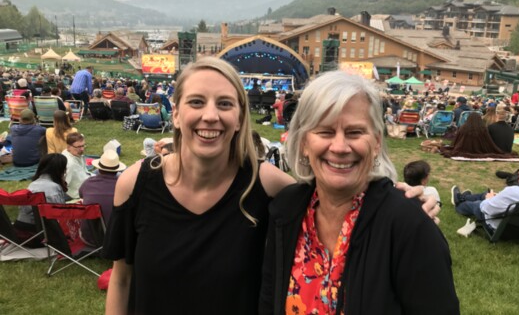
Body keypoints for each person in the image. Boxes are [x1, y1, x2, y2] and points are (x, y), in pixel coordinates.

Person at [103, 58, 440, 315]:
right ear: (175, 114)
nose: (210, 116)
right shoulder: (135, 184)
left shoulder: (266, 185)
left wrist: (400, 198)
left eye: (224, 104)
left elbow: (336, 186)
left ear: (239, 117)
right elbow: (120, 280)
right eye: (195, 102)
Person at [259, 70, 458, 314]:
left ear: (376, 142)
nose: (340, 147)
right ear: (303, 143)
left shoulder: (409, 226)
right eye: (325, 132)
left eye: (354, 132)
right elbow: (269, 302)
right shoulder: (285, 211)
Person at [452, 158, 519, 230]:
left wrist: (488, 200)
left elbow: (486, 209)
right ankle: (465, 196)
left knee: (476, 204)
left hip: (501, 226)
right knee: (488, 194)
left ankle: (459, 203)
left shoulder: (513, 192)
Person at [13, 154, 68, 246]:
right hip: (37, 236)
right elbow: (61, 215)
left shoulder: (33, 184)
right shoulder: (54, 188)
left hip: (18, 232)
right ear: (61, 169)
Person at [79, 150, 126, 247]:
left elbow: (81, 195)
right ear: (117, 170)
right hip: (118, 239)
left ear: (98, 169)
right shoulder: (124, 186)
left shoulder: (88, 183)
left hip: (90, 239)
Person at [440, 112, 519, 159]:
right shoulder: (483, 129)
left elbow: (457, 140)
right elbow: (487, 141)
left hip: (463, 149)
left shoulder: (463, 128)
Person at [62, 132, 92, 199]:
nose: (82, 149)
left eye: (83, 145)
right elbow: (64, 185)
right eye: (78, 147)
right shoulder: (70, 164)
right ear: (68, 147)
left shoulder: (70, 152)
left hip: (87, 178)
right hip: (78, 192)